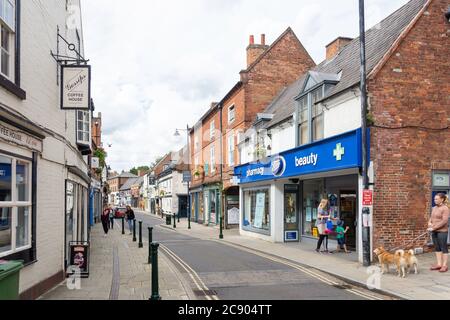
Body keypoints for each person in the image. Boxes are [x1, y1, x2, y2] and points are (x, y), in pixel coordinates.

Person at [428, 193, 449, 273]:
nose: (435, 200)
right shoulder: (434, 208)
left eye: (436, 199)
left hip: (442, 231)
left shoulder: (445, 208)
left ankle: (444, 265)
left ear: (442, 199)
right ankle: (439, 264)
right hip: (434, 231)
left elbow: (444, 221)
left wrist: (434, 227)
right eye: (434, 199)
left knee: (443, 247)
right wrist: (429, 223)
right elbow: (431, 218)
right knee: (437, 247)